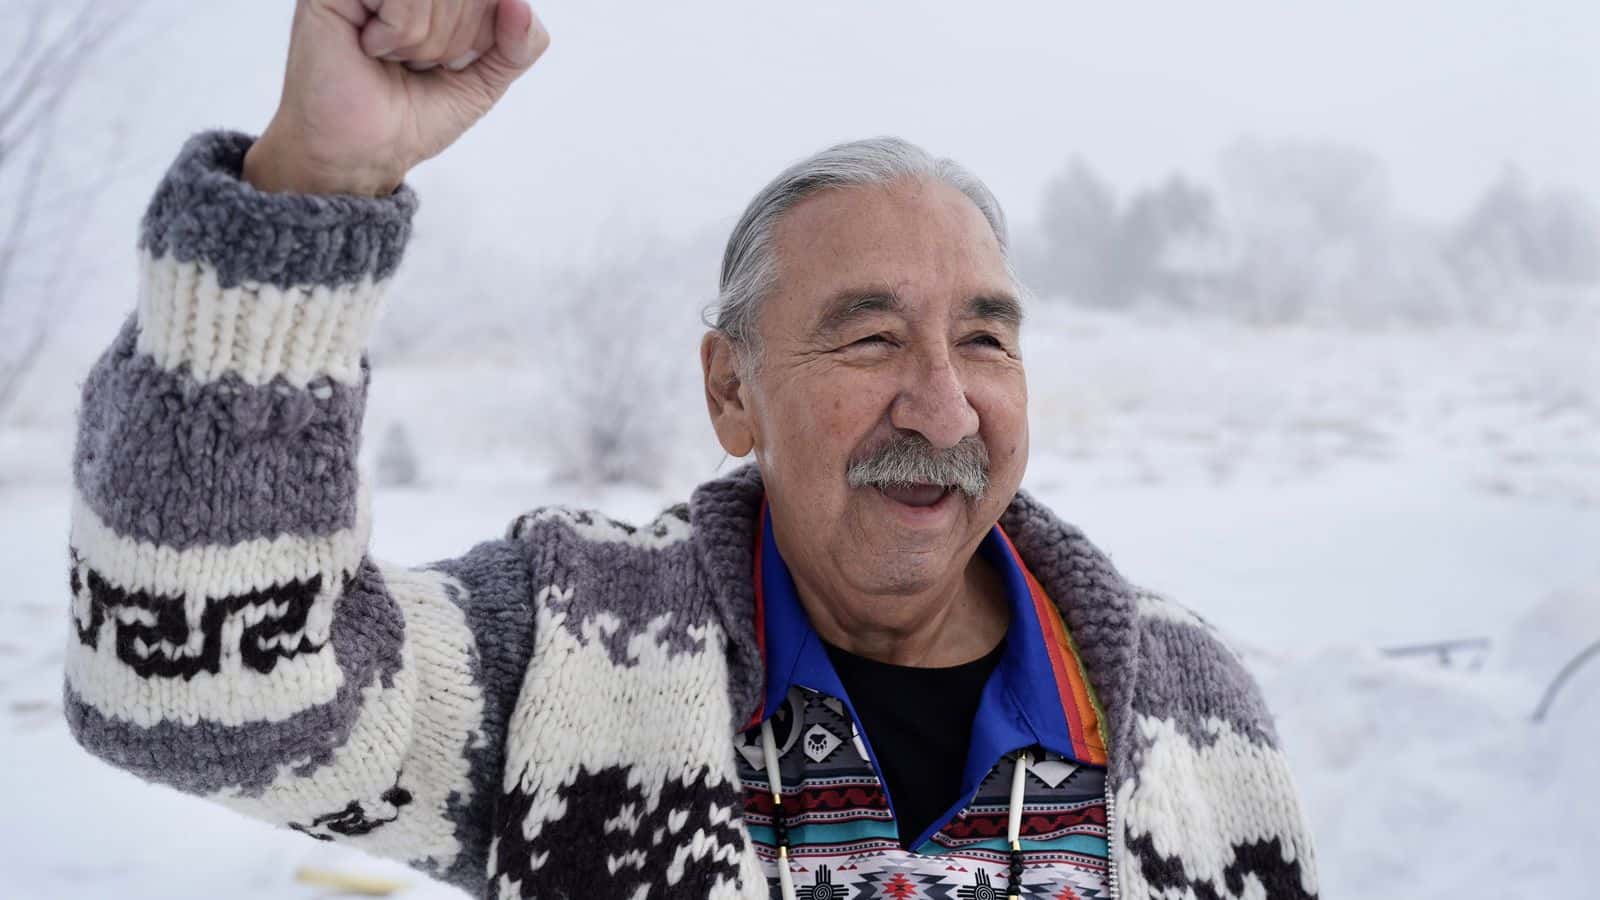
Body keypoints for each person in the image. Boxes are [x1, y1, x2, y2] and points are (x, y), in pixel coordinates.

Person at [60, 1, 1321, 898]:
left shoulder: (1186, 708)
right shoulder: (574, 653)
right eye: (871, 338)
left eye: (983, 340)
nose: (943, 409)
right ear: (732, 391)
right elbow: (191, 694)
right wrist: (318, 180)